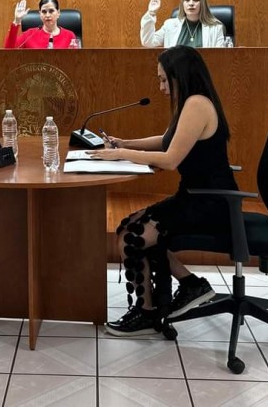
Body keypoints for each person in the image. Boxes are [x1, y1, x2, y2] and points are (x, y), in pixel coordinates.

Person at [91, 46, 238, 336]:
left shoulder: (197, 104)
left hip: (210, 204)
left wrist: (121, 155)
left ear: (179, 76)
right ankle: (189, 286)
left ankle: (148, 313)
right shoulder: (192, 102)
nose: (160, 87)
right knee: (129, 227)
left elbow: (170, 160)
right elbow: (167, 140)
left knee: (133, 237)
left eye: (163, 79)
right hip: (194, 197)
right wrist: (125, 143)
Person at [140, 0, 226, 48]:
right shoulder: (170, 25)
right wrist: (151, 13)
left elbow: (219, 57)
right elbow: (148, 42)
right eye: (187, 0)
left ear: (202, 3)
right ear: (182, 4)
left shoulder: (215, 28)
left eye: (196, 0)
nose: (191, 3)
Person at [4, 0, 79, 49]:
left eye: (51, 11)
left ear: (58, 13)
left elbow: (76, 59)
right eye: (44, 12)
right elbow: (8, 50)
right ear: (40, 14)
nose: (47, 15)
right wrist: (16, 21)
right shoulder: (29, 35)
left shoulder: (70, 35)